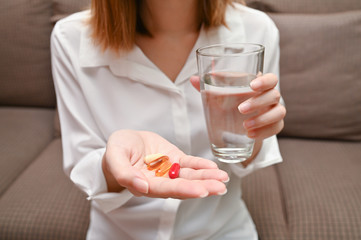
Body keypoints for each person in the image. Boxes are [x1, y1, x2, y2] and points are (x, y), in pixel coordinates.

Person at [51, 0, 286, 239]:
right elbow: (84, 164)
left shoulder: (257, 29)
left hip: (221, 230)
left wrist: (251, 127)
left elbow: (247, 157)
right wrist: (117, 162)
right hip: (119, 233)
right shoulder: (70, 37)